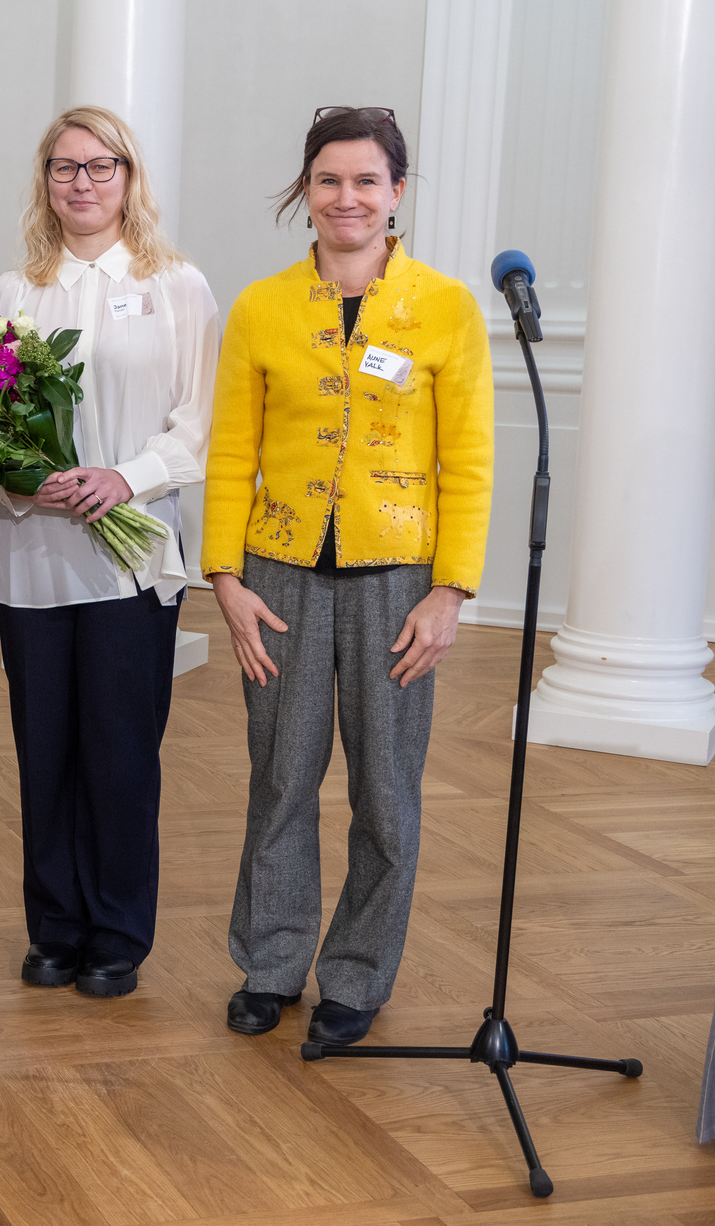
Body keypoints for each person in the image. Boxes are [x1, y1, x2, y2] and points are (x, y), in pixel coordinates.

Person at [206, 106, 493, 1047]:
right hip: (277, 574)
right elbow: (230, 451)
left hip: (400, 581)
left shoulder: (447, 308)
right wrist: (224, 576)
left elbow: (473, 461)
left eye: (367, 180)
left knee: (386, 787)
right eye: (328, 180)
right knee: (281, 777)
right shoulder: (261, 305)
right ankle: (274, 961)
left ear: (397, 192)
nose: (347, 198)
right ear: (306, 191)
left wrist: (451, 591)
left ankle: (359, 974)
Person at [0, 106, 220, 998]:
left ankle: (118, 931)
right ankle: (54, 926)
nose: (81, 182)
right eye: (63, 167)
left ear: (130, 177)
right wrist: (16, 477)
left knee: (120, 753)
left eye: (100, 165)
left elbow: (200, 423)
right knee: (43, 748)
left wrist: (126, 478)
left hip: (130, 557)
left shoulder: (176, 285)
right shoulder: (15, 290)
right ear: (44, 181)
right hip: (34, 553)